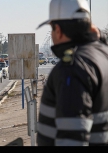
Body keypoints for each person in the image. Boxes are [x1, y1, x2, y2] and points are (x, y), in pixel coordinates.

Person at [36, 0, 108, 146]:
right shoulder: (102, 53)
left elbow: (73, 138)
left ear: (58, 30)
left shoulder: (72, 69)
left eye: (51, 28)